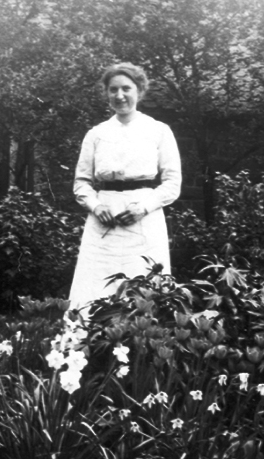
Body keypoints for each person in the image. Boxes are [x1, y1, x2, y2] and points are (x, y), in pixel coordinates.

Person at [68, 62, 181, 312]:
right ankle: (86, 336)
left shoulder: (158, 131)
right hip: (103, 221)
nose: (120, 96)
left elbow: (172, 183)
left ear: (139, 90)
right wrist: (96, 206)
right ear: (106, 93)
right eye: (113, 89)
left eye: (126, 89)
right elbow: (82, 182)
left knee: (144, 284)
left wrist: (144, 207)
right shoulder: (96, 134)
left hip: (144, 219)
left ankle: (144, 335)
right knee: (94, 286)